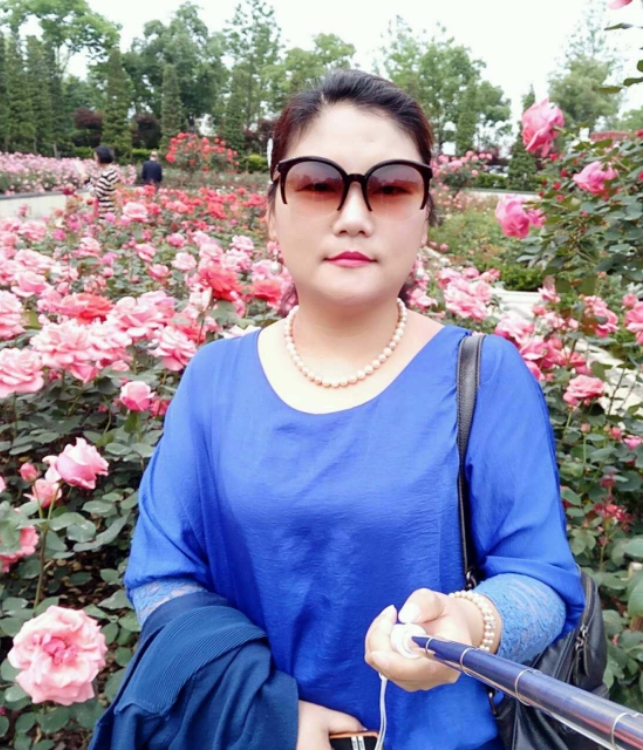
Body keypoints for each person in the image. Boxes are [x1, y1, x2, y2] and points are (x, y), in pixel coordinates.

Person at [115, 70, 585, 750]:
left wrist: (469, 624)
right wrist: (270, 715)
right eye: (317, 183)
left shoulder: (484, 376)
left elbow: (541, 581)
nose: (355, 215)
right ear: (272, 208)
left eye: (391, 187)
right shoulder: (214, 381)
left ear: (426, 214)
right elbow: (164, 576)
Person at [77, 146, 120, 217]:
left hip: (105, 211)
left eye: (95, 157)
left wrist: (87, 182)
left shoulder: (105, 175)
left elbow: (96, 193)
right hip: (112, 208)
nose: (95, 160)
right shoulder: (112, 171)